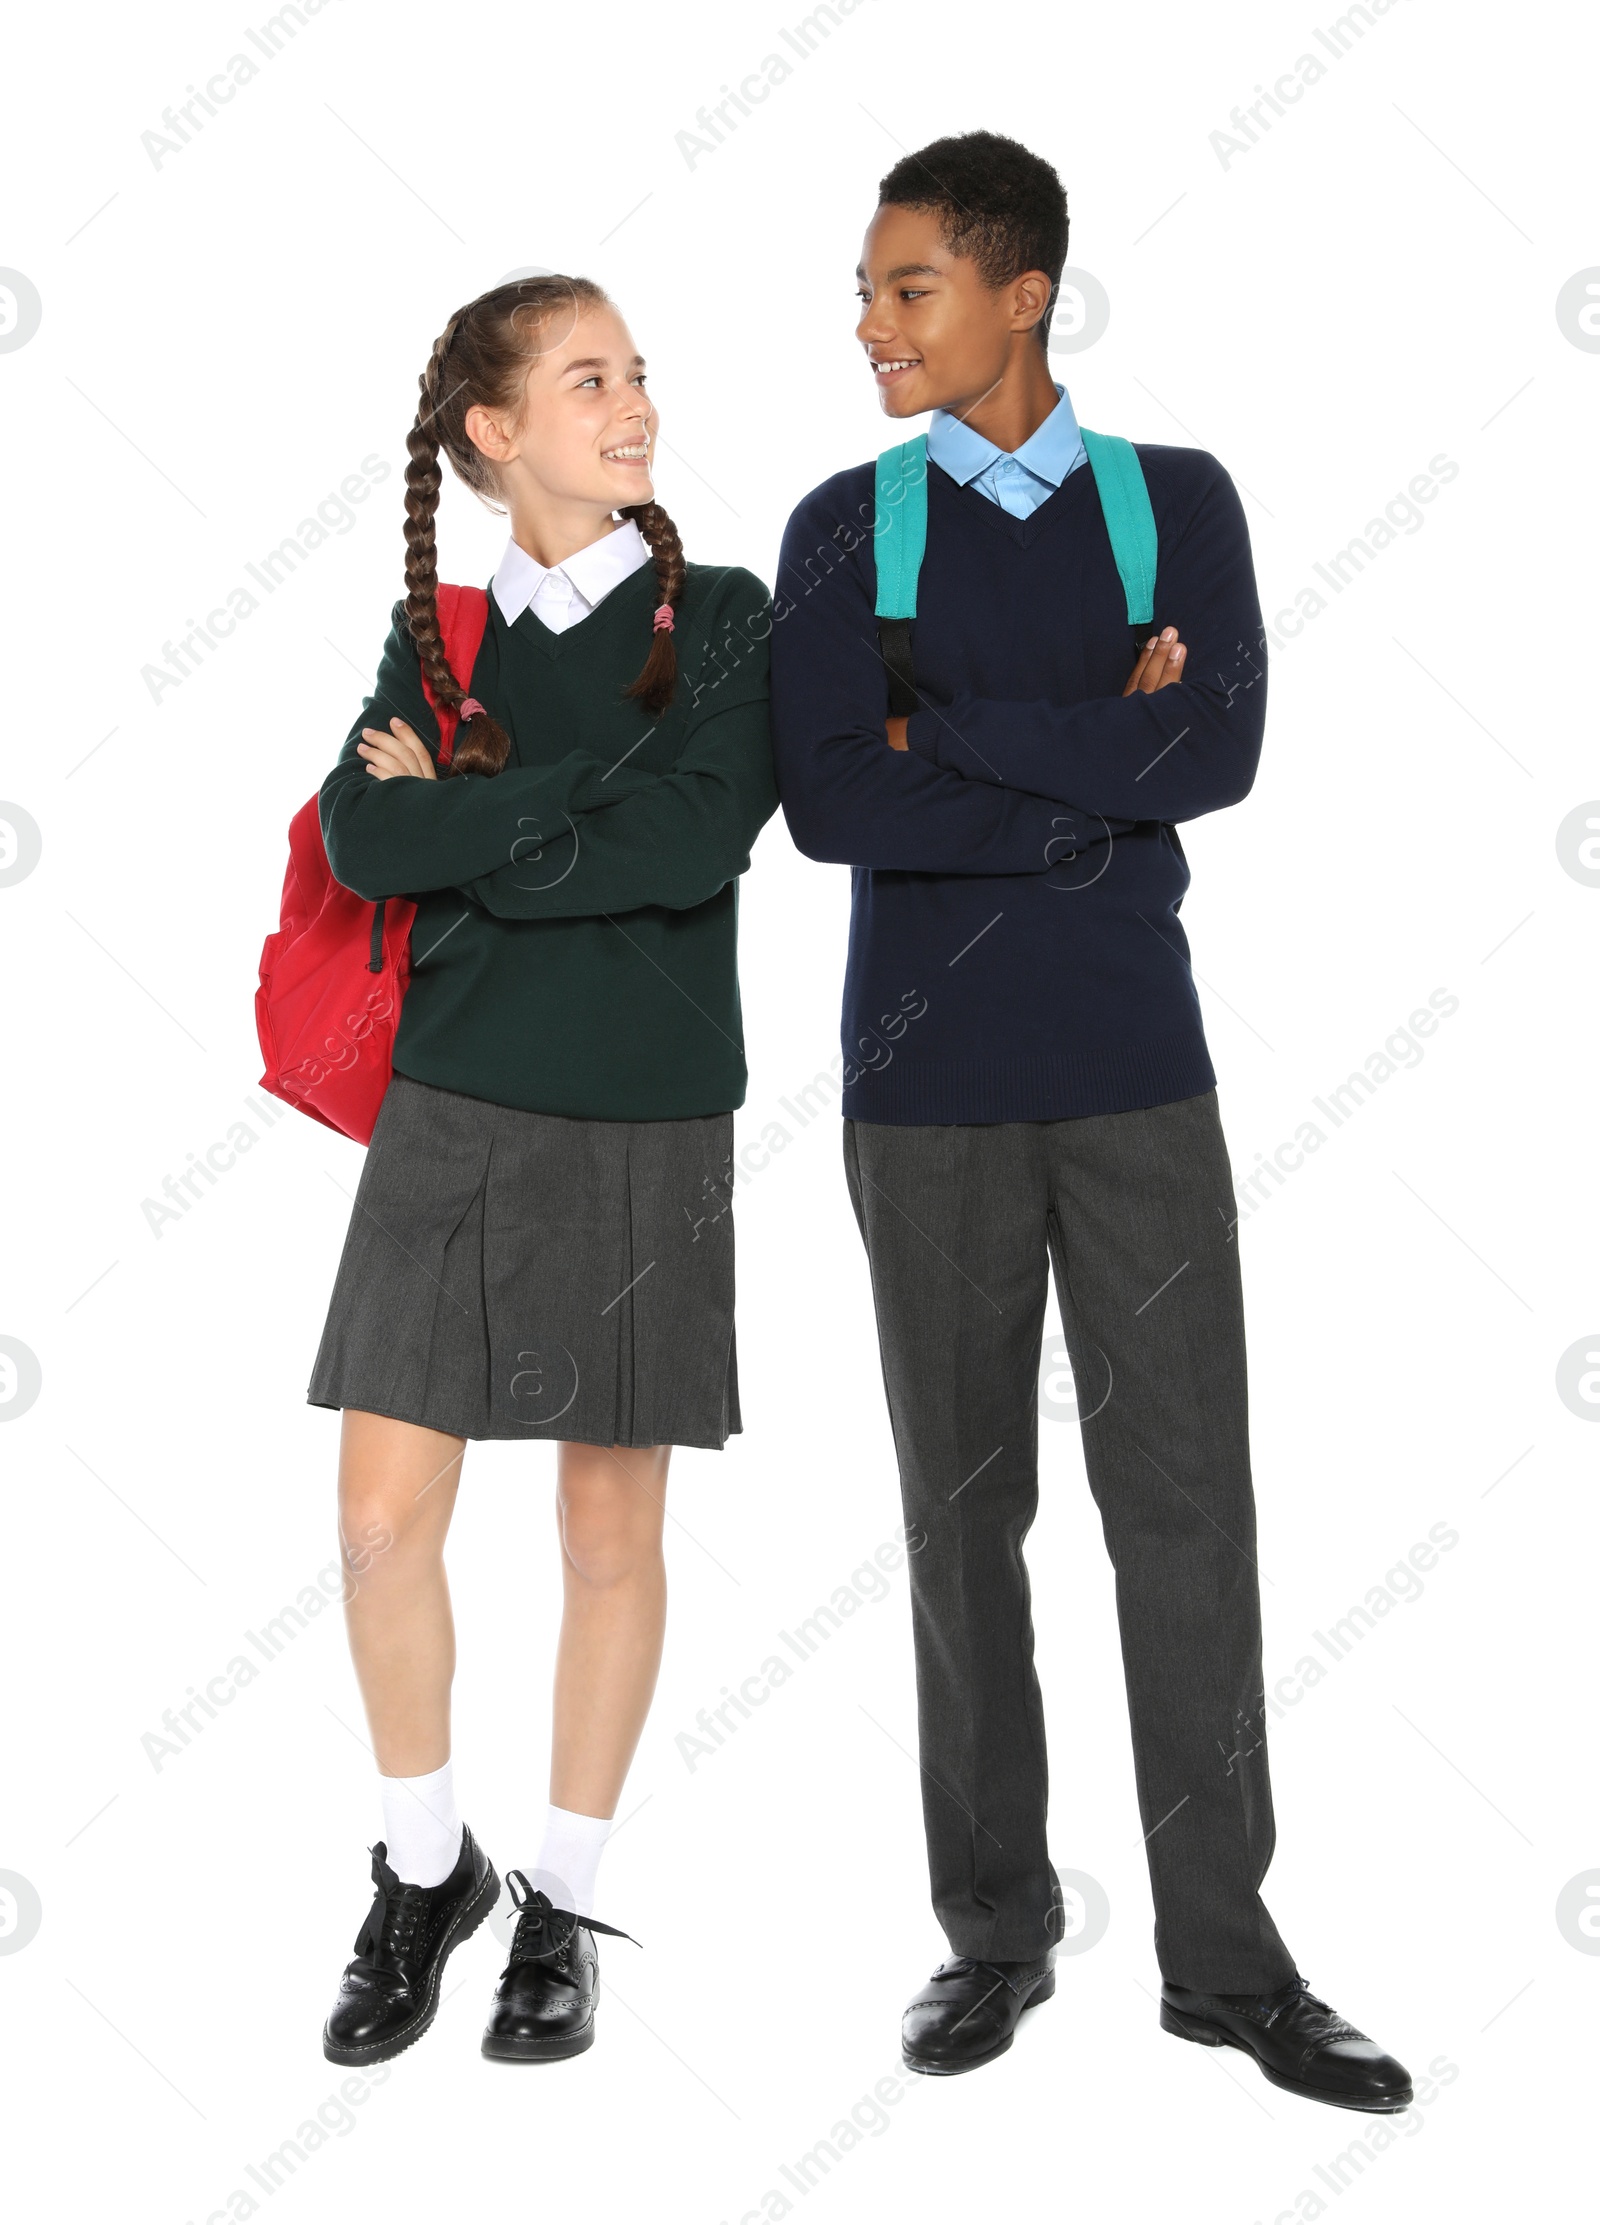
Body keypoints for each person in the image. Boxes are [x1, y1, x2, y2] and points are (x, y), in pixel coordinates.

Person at [769, 131, 1411, 2109]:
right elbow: (826, 806)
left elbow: (1207, 747)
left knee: (1187, 1516)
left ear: (1020, 291)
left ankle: (1223, 1960)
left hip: (1138, 1075)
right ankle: (990, 1935)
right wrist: (1085, 764)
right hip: (920, 1089)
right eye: (866, 290)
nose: (866, 321)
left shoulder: (1172, 507)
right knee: (961, 1521)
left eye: (905, 288)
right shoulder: (835, 528)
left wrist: (937, 727)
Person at [307, 275, 776, 2067]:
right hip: (452, 1099)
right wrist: (558, 802)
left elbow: (693, 837)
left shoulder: (725, 615)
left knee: (605, 1527)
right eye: (593, 380)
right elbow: (364, 828)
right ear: (496, 433)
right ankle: (428, 1869)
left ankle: (563, 1897)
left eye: (641, 372)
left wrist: (478, 818)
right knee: (376, 1519)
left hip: (648, 1110)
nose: (637, 403)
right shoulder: (437, 632)